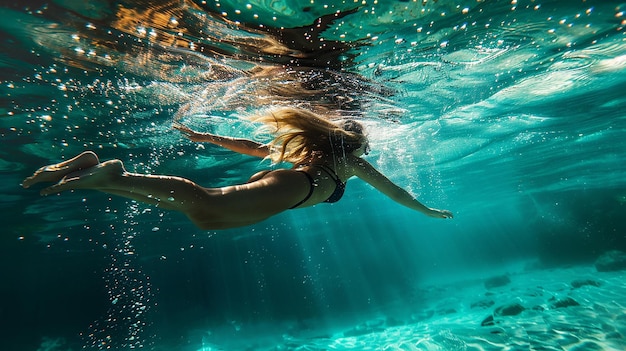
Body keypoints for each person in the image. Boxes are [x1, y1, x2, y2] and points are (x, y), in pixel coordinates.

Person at [22, 107, 453, 229]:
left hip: (286, 187)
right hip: (293, 190)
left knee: (205, 216)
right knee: (205, 201)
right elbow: (395, 192)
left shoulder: (312, 152)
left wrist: (212, 139)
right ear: (358, 143)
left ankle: (104, 179)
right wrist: (428, 212)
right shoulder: (350, 162)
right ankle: (113, 174)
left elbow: (253, 148)